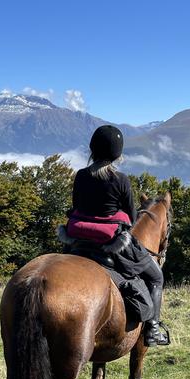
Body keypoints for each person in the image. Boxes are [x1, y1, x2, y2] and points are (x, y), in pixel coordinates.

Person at [68, 125, 169, 346]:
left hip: (80, 242)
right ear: (117, 153)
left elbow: (76, 207)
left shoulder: (81, 176)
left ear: (92, 150)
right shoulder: (120, 179)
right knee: (156, 277)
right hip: (112, 243)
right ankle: (152, 329)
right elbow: (132, 219)